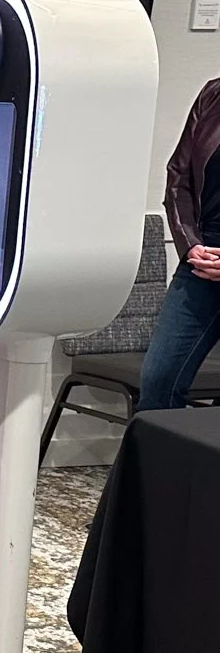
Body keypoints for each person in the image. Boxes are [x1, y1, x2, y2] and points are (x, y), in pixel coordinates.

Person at [140, 75, 220, 409]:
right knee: (159, 382)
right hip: (203, 259)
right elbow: (178, 175)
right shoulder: (213, 94)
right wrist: (190, 244)